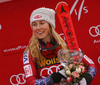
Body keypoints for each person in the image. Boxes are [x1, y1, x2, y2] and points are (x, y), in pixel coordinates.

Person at [23, 7, 97, 85]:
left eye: (42, 23)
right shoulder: (30, 52)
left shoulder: (67, 45)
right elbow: (31, 82)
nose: (38, 28)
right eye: (34, 24)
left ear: (50, 25)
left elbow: (92, 65)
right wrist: (54, 78)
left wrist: (87, 79)